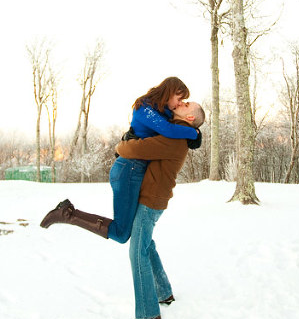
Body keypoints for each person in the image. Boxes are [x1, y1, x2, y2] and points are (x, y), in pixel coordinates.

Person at [39, 77, 200, 243]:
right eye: (179, 99)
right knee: (122, 233)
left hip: (134, 170)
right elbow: (168, 129)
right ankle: (67, 214)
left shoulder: (163, 111)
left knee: (129, 232)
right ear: (170, 92)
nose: (179, 104)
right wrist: (194, 133)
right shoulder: (144, 107)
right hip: (128, 169)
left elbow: (173, 127)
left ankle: (67, 213)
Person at [115, 100, 206, 319]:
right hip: (153, 198)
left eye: (186, 104)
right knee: (146, 245)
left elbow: (135, 149)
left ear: (190, 118)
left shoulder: (174, 139)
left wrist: (119, 146)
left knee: (137, 253)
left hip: (150, 201)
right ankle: (163, 292)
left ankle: (148, 313)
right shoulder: (179, 133)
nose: (181, 103)